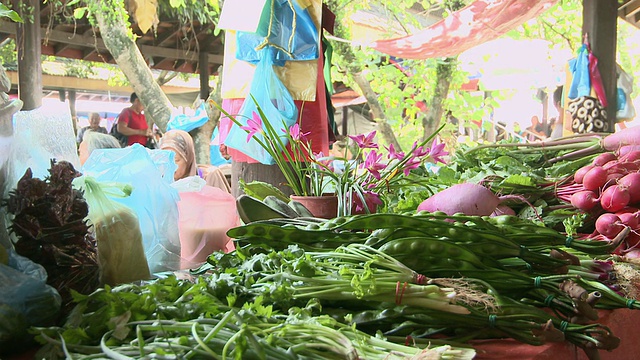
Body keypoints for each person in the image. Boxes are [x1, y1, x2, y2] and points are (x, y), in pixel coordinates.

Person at [159, 129, 231, 193]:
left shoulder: (209, 176)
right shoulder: (162, 183)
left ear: (188, 157)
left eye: (176, 160)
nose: (171, 167)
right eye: (165, 161)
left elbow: (223, 206)